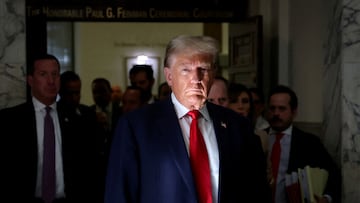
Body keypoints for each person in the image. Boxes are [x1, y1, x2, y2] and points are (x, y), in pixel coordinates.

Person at [105, 35, 271, 203]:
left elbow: (257, 193)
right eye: (186, 70)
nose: (196, 79)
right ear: (169, 76)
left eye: (203, 70)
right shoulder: (136, 127)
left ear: (213, 74)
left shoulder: (237, 126)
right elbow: (119, 194)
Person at [0, 54, 102, 203]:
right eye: (43, 74)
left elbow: (90, 170)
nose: (51, 81)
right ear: (30, 80)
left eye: (55, 75)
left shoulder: (79, 119)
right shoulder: (10, 121)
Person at [266, 85, 341, 203]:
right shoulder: (257, 138)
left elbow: (333, 173)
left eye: (282, 109)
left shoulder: (309, 143)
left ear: (294, 112)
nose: (276, 113)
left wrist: (327, 198)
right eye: (272, 108)